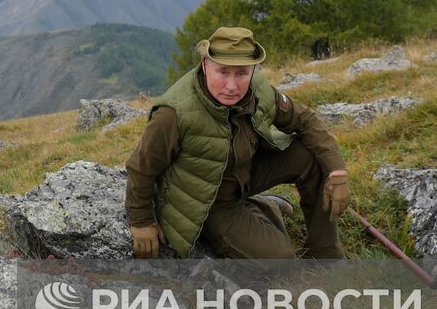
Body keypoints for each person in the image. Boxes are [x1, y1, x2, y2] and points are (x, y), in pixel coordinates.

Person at [126, 26, 350, 260]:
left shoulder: (259, 90)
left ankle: (325, 255)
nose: (232, 86)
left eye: (241, 73)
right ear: (205, 65)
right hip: (209, 201)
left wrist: (338, 171)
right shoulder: (173, 114)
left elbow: (305, 120)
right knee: (280, 261)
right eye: (222, 72)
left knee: (315, 157)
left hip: (243, 173)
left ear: (254, 69)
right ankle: (264, 209)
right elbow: (140, 168)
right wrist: (141, 222)